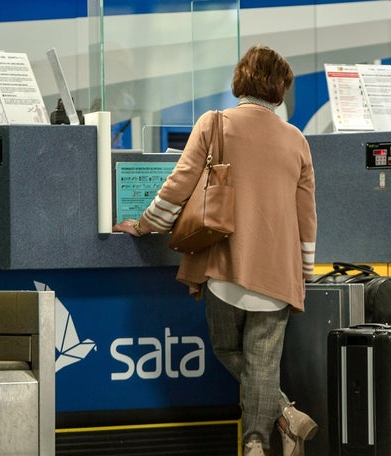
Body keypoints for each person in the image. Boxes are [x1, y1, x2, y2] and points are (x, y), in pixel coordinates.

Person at [113, 45, 319, 456]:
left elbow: (179, 184)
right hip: (279, 274)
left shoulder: (216, 123)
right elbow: (306, 215)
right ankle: (263, 438)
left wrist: (144, 224)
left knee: (228, 349)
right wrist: (306, 271)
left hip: (227, 264)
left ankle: (275, 425)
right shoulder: (297, 140)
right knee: (263, 361)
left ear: (241, 79)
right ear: (280, 89)